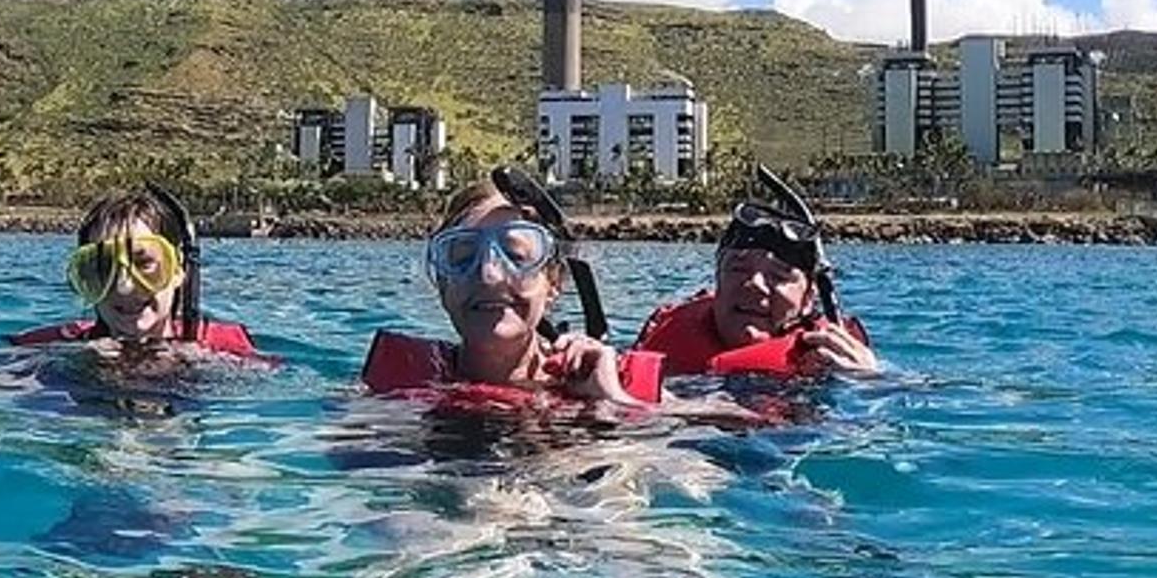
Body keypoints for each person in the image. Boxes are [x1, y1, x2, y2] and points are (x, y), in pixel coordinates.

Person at [362, 167, 661, 405]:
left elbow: (688, 473)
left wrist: (612, 402)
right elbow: (346, 466)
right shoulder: (394, 390)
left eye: (517, 257)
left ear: (553, 282)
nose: (489, 275)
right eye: (463, 257)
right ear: (442, 286)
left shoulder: (613, 381)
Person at [633, 167, 876, 377]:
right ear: (718, 278)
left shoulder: (831, 364)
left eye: (778, 276)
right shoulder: (668, 337)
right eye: (738, 269)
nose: (755, 284)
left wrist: (868, 380)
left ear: (808, 299)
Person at [4, 183, 262, 357]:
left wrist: (208, 367)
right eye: (104, 267)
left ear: (177, 269)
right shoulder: (56, 348)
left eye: (144, 263)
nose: (124, 285)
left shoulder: (224, 350)